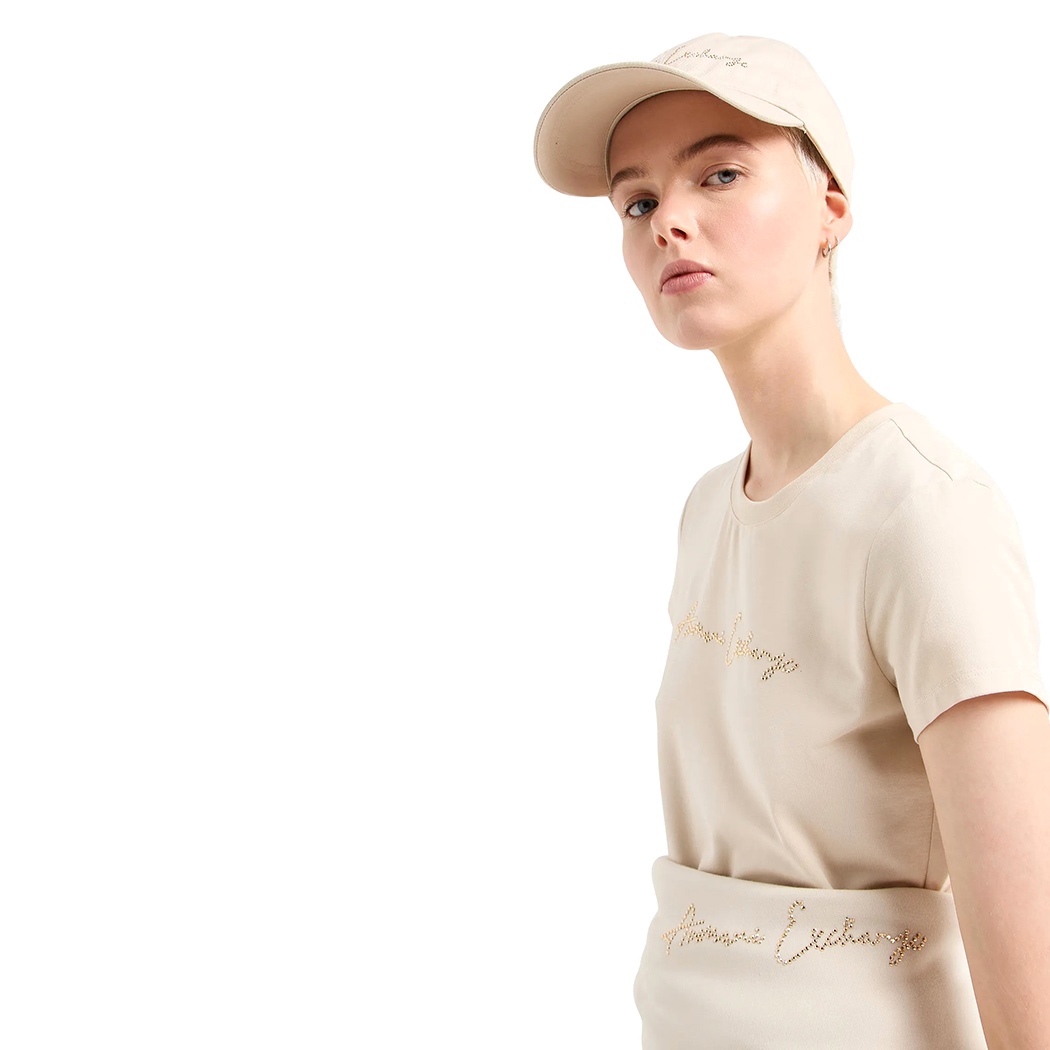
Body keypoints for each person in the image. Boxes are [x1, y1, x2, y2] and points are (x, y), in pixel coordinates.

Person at [533, 32, 1050, 1049]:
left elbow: (1030, 947)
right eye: (637, 201)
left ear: (831, 209)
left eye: (720, 173)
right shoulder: (706, 511)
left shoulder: (922, 508)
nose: (669, 221)